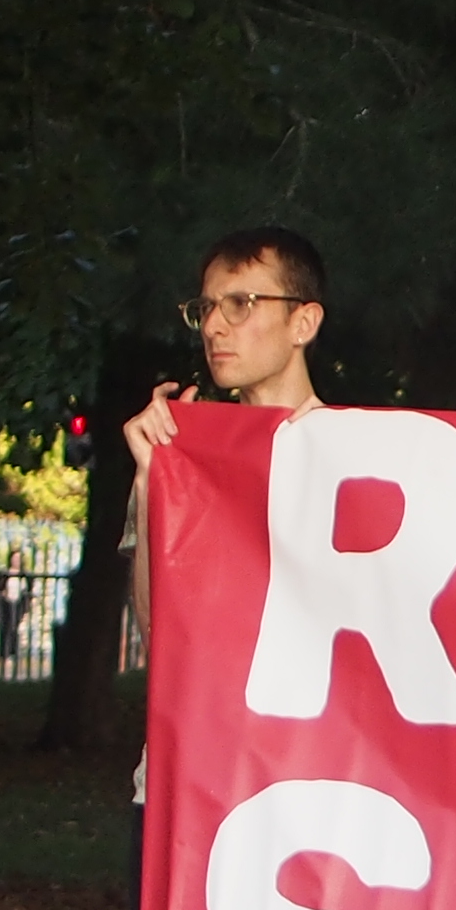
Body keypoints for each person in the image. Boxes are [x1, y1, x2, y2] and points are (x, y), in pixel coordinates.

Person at [121, 225, 329, 639]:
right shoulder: (187, 456)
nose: (213, 326)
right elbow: (157, 635)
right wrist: (151, 483)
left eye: (240, 303)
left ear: (303, 323)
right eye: (205, 308)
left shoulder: (359, 454)